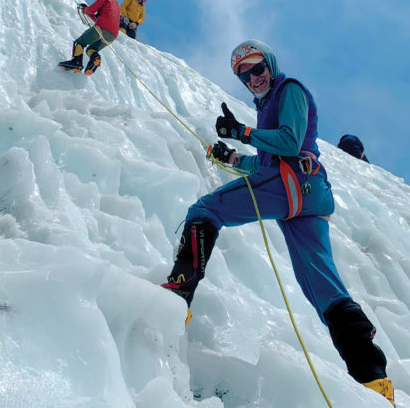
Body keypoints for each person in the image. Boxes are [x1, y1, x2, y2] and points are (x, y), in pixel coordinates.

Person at [161, 40, 394, 405]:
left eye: (257, 68)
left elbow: (288, 142)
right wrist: (233, 155)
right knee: (324, 288)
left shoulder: (290, 89)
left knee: (205, 211)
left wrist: (242, 133)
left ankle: (178, 296)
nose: (252, 78)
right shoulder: (270, 103)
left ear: (270, 64)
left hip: (294, 183)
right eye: (244, 74)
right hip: (305, 193)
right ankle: (373, 380)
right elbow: (268, 162)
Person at [58, 0, 120, 75]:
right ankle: (94, 60)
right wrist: (86, 12)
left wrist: (85, 9)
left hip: (101, 28)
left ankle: (76, 62)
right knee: (91, 49)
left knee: (79, 42)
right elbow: (99, 18)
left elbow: (92, 10)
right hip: (112, 35)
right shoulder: (116, 5)